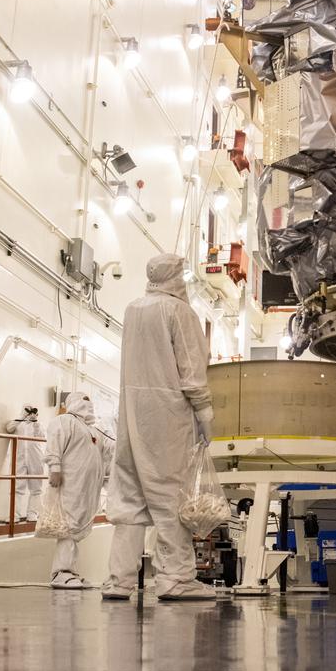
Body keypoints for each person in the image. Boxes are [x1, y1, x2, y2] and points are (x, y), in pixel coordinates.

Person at [102, 253, 216, 601]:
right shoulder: (179, 312)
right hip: (167, 414)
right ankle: (175, 578)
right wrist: (205, 411)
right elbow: (192, 367)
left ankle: (119, 581)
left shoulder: (133, 309)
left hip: (133, 414)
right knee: (171, 496)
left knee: (130, 498)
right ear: (175, 277)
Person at [45, 393, 105, 589]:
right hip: (70, 483)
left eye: (90, 401)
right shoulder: (64, 421)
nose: (88, 405)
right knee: (68, 525)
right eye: (84, 401)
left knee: (76, 525)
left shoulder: (92, 430)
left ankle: (69, 571)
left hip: (86, 487)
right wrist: (54, 468)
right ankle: (60, 572)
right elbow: (55, 444)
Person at [5, 405, 45, 521]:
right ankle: (14, 515)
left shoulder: (38, 424)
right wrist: (21, 417)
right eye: (27, 410)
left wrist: (35, 421)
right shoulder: (17, 423)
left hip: (36, 458)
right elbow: (9, 429)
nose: (29, 413)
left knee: (36, 488)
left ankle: (32, 514)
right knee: (17, 487)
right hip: (19, 458)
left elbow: (41, 436)